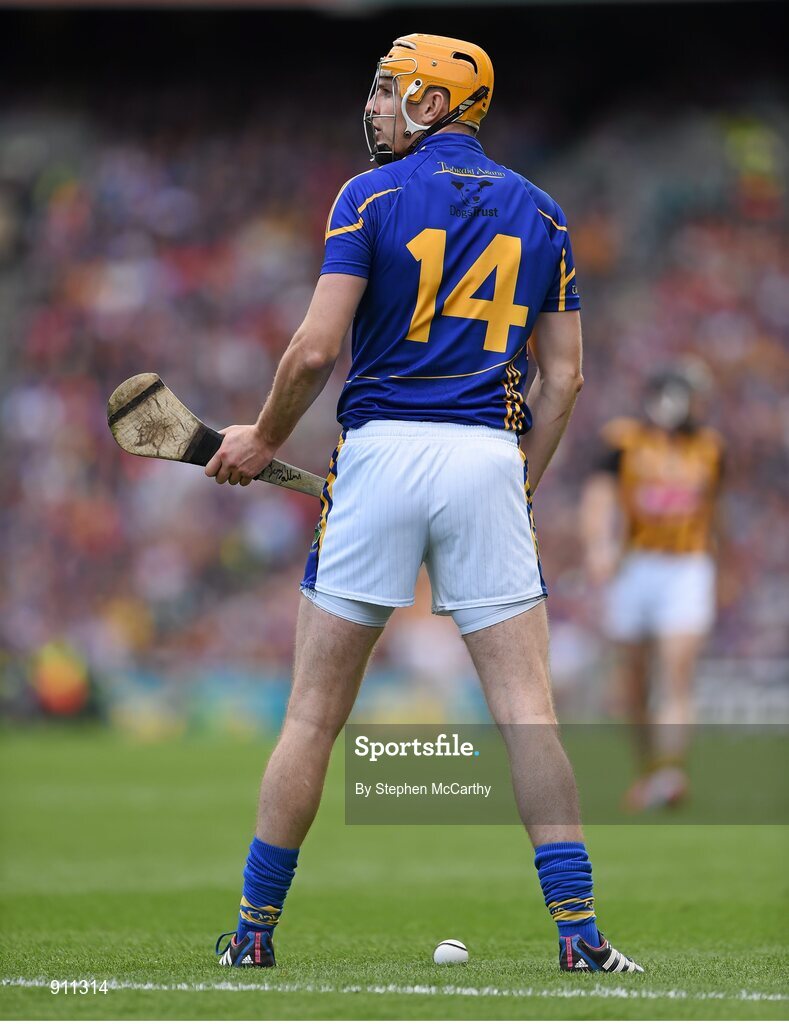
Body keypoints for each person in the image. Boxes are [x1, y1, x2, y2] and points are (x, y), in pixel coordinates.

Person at [206, 33, 642, 974]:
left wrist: (265, 438)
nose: (373, 108)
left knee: (313, 718)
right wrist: (518, 482)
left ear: (437, 104)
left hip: (378, 453)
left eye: (390, 92)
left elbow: (316, 350)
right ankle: (578, 935)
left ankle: (250, 933)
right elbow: (562, 381)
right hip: (487, 454)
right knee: (528, 713)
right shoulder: (547, 213)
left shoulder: (366, 196)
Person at [580, 361, 724, 811]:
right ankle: (648, 772)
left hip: (687, 565)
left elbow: (715, 509)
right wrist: (598, 548)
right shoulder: (623, 439)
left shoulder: (711, 448)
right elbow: (599, 497)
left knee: (676, 670)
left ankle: (670, 773)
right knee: (634, 682)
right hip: (635, 567)